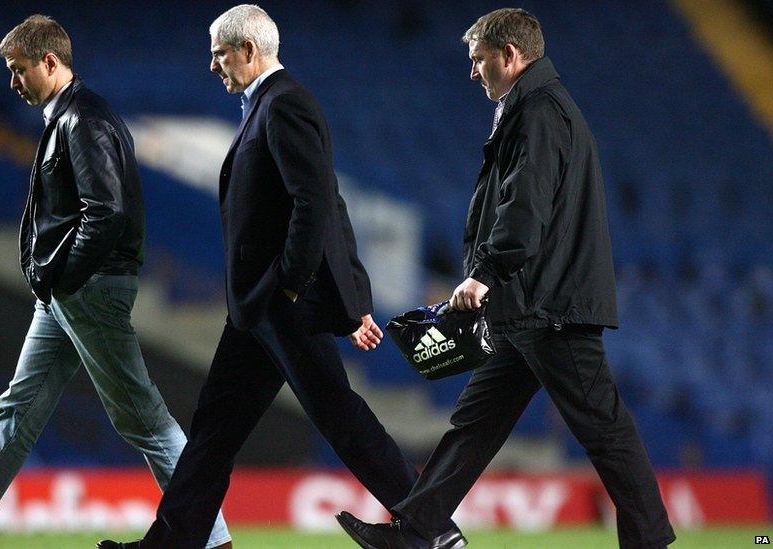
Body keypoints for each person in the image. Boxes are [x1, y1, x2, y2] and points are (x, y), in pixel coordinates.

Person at [0, 14, 232, 549]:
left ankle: (210, 538)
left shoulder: (81, 120)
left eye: (19, 70)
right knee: (18, 413)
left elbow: (105, 211)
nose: (13, 82)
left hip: (87, 289)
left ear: (50, 61)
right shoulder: (71, 116)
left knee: (144, 417)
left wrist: (61, 274)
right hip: (69, 293)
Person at [336, 8, 676, 549]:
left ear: (510, 56)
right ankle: (415, 530)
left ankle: (650, 540)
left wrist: (485, 274)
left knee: (603, 428)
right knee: (474, 424)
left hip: (551, 307)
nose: (473, 72)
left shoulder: (539, 112)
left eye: (479, 60)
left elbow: (525, 206)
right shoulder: (531, 108)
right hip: (530, 306)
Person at [96, 5, 421, 548]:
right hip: (256, 310)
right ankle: (171, 543)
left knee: (338, 416)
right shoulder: (267, 106)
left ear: (248, 50)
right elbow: (328, 205)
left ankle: (430, 526)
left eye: (219, 54)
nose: (214, 65)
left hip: (280, 304)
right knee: (214, 431)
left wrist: (290, 286)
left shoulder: (285, 104)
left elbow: (316, 205)